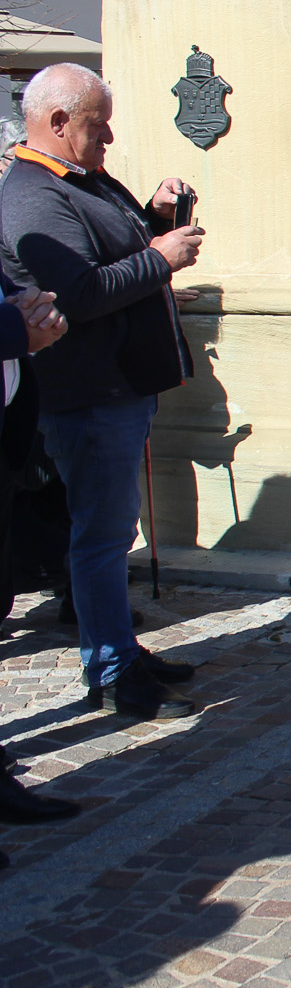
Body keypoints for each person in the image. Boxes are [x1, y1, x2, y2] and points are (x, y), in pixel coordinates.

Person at [1, 63, 201, 721]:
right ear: (58, 122)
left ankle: (120, 649)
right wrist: (161, 258)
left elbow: (107, 249)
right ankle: (112, 672)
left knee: (114, 531)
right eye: (98, 124)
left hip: (119, 386)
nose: (109, 136)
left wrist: (151, 216)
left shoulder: (78, 177)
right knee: (100, 534)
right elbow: (81, 292)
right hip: (88, 391)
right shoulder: (32, 195)